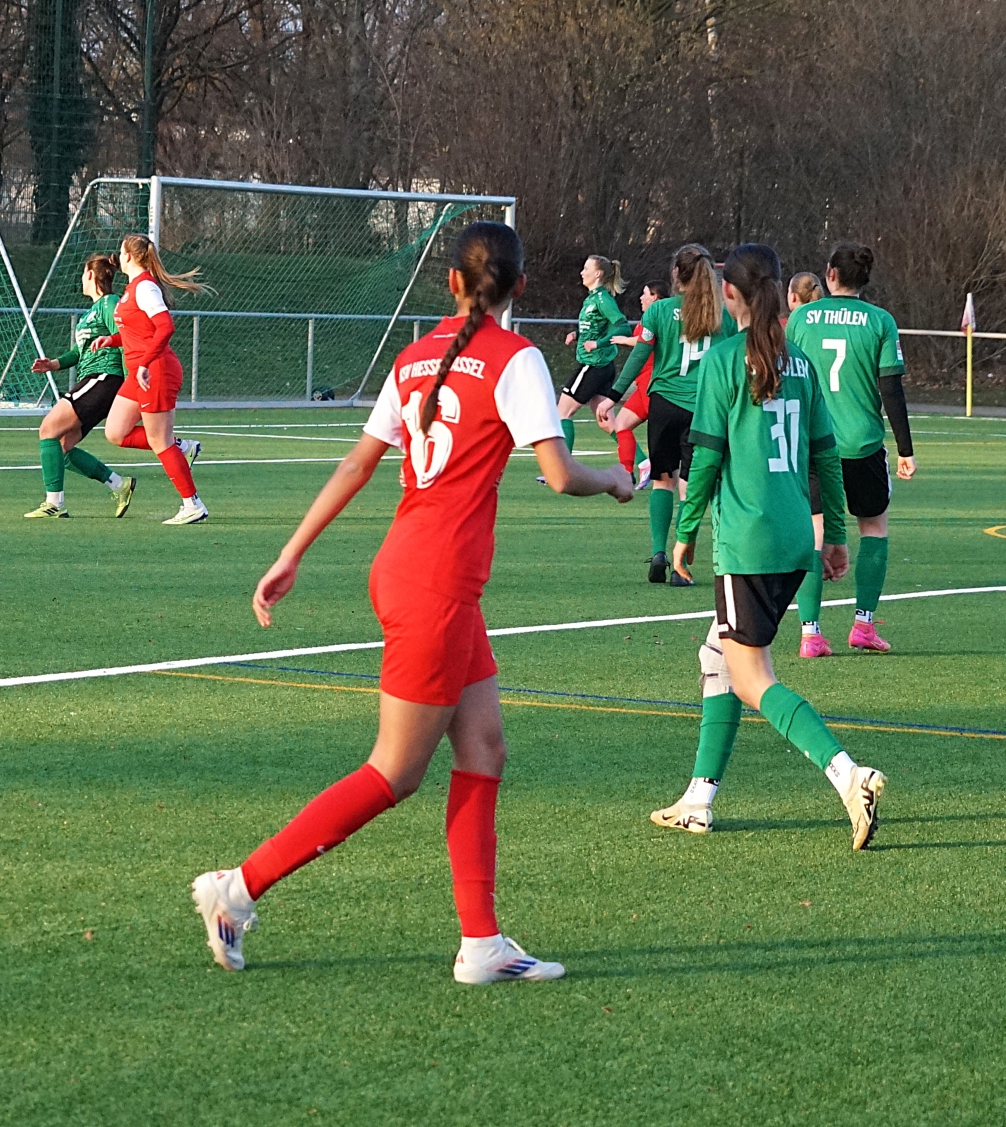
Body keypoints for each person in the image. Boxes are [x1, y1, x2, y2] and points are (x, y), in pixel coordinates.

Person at [191, 222, 633, 982]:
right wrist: (617, 480)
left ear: (452, 284)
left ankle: (481, 944)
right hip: (436, 583)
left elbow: (357, 465)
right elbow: (561, 474)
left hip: (416, 570)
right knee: (394, 772)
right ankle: (236, 889)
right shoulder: (517, 358)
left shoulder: (413, 357)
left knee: (484, 748)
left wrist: (291, 553)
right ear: (521, 288)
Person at [649, 244, 887, 847]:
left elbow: (705, 458)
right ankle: (699, 799)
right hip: (794, 538)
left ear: (728, 293)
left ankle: (847, 774)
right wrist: (836, 535)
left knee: (752, 678)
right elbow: (825, 456)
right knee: (717, 657)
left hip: (748, 543)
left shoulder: (724, 360)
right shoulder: (799, 361)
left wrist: (684, 532)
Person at [785, 242, 916, 655]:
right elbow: (890, 388)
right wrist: (906, 449)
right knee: (873, 528)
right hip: (862, 444)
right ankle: (863, 624)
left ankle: (810, 633)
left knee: (814, 534)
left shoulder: (801, 318)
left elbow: (783, 376)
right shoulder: (880, 321)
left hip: (812, 444)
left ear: (830, 274)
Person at [604, 246, 734, 585]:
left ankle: (658, 552)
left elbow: (639, 355)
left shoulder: (660, 310)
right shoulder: (722, 316)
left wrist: (613, 396)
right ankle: (682, 565)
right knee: (691, 488)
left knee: (663, 480)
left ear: (676, 273)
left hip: (663, 404)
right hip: (704, 409)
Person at [96, 235, 207, 524]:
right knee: (116, 432)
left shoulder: (145, 286)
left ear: (129, 256)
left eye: (121, 251)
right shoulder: (132, 288)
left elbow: (165, 327)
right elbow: (139, 331)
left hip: (155, 370)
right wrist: (112, 340)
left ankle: (192, 504)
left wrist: (145, 363)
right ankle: (182, 447)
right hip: (140, 371)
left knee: (159, 440)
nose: (118, 256)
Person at [23, 255, 137, 519]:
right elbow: (79, 351)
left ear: (91, 275)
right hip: (94, 379)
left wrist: (130, 379)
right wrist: (53, 364)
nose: (81, 278)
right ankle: (119, 485)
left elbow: (124, 337)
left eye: (83, 273)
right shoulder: (90, 312)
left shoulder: (109, 303)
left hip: (105, 377)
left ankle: (54, 503)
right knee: (61, 447)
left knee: (48, 429)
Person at [597, 278, 666, 487]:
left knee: (666, 439)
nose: (641, 298)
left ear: (655, 297)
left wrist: (626, 340)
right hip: (643, 384)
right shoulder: (649, 317)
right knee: (621, 425)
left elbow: (650, 339)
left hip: (655, 385)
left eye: (645, 294)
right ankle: (627, 473)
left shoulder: (660, 316)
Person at [558, 255, 630, 450]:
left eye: (586, 269)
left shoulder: (603, 299)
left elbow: (623, 327)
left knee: (562, 412)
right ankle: (643, 463)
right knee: (606, 422)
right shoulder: (591, 299)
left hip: (593, 365)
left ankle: (564, 465)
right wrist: (577, 333)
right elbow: (595, 326)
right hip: (602, 366)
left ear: (598, 274)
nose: (582, 272)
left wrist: (599, 343)